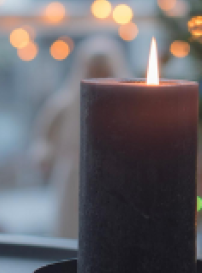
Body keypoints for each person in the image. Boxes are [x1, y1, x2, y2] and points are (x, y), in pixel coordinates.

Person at [32, 36, 131, 239]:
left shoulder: (128, 104)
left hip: (118, 177)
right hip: (75, 177)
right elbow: (45, 138)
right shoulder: (65, 103)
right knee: (73, 229)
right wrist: (45, 155)